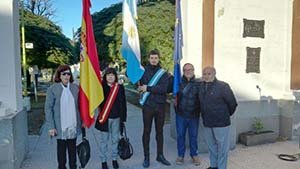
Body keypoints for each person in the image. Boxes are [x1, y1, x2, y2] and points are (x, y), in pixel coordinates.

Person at [199, 66, 238, 169]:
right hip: (207, 122)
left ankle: (221, 167)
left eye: (209, 73)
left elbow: (232, 103)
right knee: (211, 147)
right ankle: (213, 166)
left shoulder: (223, 86)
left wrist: (224, 114)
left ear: (214, 74)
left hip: (221, 124)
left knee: (222, 149)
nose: (206, 76)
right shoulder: (201, 86)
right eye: (204, 74)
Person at [138, 49, 171, 168]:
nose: (153, 60)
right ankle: (146, 157)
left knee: (160, 132)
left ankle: (160, 155)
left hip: (160, 106)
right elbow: (136, 83)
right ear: (149, 59)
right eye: (152, 58)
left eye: (156, 58)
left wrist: (148, 88)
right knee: (146, 132)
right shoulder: (143, 71)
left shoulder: (163, 73)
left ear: (158, 59)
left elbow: (163, 89)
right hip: (148, 106)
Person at [44, 65, 82, 169]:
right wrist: (51, 126)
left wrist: (83, 122)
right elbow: (48, 109)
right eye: (64, 74)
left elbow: (81, 106)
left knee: (72, 152)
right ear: (59, 75)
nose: (66, 76)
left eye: (68, 74)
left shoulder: (75, 88)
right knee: (61, 153)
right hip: (60, 126)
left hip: (73, 125)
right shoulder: (52, 89)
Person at [95, 68, 127, 169]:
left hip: (117, 118)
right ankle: (103, 161)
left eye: (112, 75)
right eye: (108, 75)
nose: (110, 76)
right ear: (105, 76)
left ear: (115, 76)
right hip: (104, 119)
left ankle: (114, 159)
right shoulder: (101, 87)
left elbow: (124, 103)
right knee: (104, 141)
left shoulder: (120, 87)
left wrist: (123, 118)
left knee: (115, 140)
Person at [174, 63, 201, 166]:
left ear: (193, 70)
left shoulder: (199, 83)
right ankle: (180, 155)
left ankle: (194, 155)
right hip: (181, 115)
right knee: (180, 135)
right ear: (183, 71)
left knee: (193, 136)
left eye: (190, 69)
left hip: (194, 115)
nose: (188, 71)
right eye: (185, 70)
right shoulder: (178, 83)